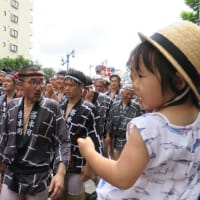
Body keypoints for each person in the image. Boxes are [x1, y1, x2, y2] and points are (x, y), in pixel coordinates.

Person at [77, 21, 200, 199]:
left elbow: (121, 177)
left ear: (178, 81)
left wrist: (89, 151)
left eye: (141, 76)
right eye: (133, 76)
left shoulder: (148, 127)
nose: (134, 86)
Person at [0, 64, 71, 200]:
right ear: (20, 85)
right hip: (12, 174)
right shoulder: (12, 106)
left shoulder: (52, 107)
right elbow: (2, 138)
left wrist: (60, 173)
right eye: (33, 82)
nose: (39, 87)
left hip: (39, 177)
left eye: (41, 82)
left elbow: (63, 141)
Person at [60, 69, 103, 200]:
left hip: (77, 163)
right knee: (58, 195)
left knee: (75, 196)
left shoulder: (89, 109)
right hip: (59, 161)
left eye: (71, 85)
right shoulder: (60, 106)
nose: (67, 88)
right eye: (65, 84)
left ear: (81, 87)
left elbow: (96, 139)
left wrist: (89, 165)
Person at [105, 83, 142, 160]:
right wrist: (108, 135)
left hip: (128, 139)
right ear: (122, 93)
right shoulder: (114, 104)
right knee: (114, 159)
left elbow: (138, 124)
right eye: (127, 94)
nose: (129, 96)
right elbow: (109, 120)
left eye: (131, 95)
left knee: (125, 160)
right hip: (114, 138)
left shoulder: (136, 107)